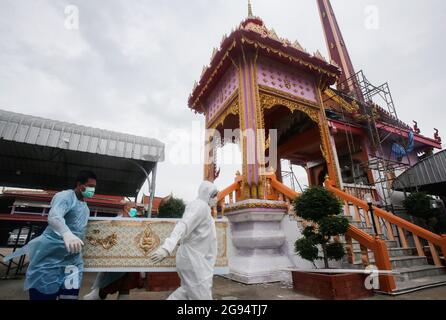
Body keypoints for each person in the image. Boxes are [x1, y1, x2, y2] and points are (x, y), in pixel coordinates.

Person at [4, 170, 97, 300]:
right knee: (45, 292)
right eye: (90, 186)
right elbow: (54, 217)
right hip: (50, 257)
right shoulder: (65, 197)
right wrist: (66, 233)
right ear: (80, 184)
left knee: (69, 295)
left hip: (72, 260)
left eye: (94, 187)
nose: (92, 190)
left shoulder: (85, 207)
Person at [149, 181, 219, 300]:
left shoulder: (205, 209)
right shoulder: (199, 206)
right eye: (214, 195)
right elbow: (183, 225)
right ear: (207, 195)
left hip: (198, 259)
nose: (217, 199)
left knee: (187, 292)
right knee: (202, 296)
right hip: (193, 259)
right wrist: (167, 248)